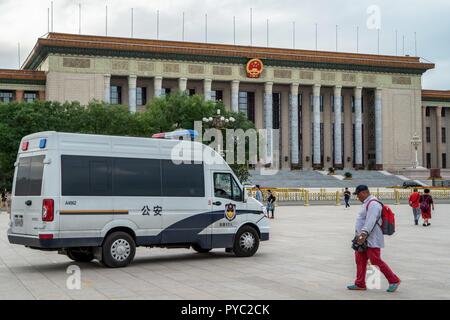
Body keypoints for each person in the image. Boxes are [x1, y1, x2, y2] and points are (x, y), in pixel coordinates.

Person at [347, 185, 401, 293]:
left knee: (375, 260)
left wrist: (363, 235)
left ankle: (394, 280)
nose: (358, 197)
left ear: (364, 192)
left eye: (358, 195)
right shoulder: (367, 203)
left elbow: (371, 221)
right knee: (360, 260)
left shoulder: (373, 204)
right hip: (362, 237)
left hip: (371, 238)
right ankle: (360, 283)